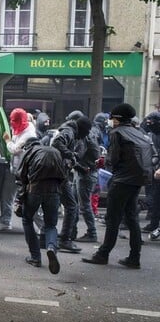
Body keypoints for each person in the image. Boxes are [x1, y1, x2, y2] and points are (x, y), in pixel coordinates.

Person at [83, 104, 153, 269]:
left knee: (112, 219)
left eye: (112, 118)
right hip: (137, 180)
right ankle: (134, 257)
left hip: (121, 181)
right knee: (132, 218)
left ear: (118, 119)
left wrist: (102, 161)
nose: (110, 121)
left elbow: (113, 159)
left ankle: (103, 254)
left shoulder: (116, 133)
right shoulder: (139, 133)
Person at [16, 138, 66, 274]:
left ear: (27, 146)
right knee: (51, 225)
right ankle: (51, 247)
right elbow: (64, 175)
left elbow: (21, 177)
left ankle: (35, 257)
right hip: (54, 191)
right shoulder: (55, 152)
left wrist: (19, 200)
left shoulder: (30, 152)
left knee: (27, 219)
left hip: (35, 190)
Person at [51, 113, 92, 253]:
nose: (86, 136)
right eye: (86, 132)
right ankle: (64, 239)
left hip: (58, 172)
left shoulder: (71, 132)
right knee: (71, 205)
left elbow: (67, 157)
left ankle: (51, 237)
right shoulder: (69, 131)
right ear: (81, 128)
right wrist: (70, 154)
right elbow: (57, 143)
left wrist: (80, 167)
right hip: (58, 174)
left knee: (52, 204)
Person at [0, 108, 37, 232]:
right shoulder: (19, 128)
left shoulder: (29, 134)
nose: (13, 123)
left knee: (30, 200)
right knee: (7, 197)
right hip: (14, 169)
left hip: (25, 172)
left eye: (15, 121)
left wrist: (7, 140)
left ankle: (44, 227)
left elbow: (14, 149)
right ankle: (5, 221)